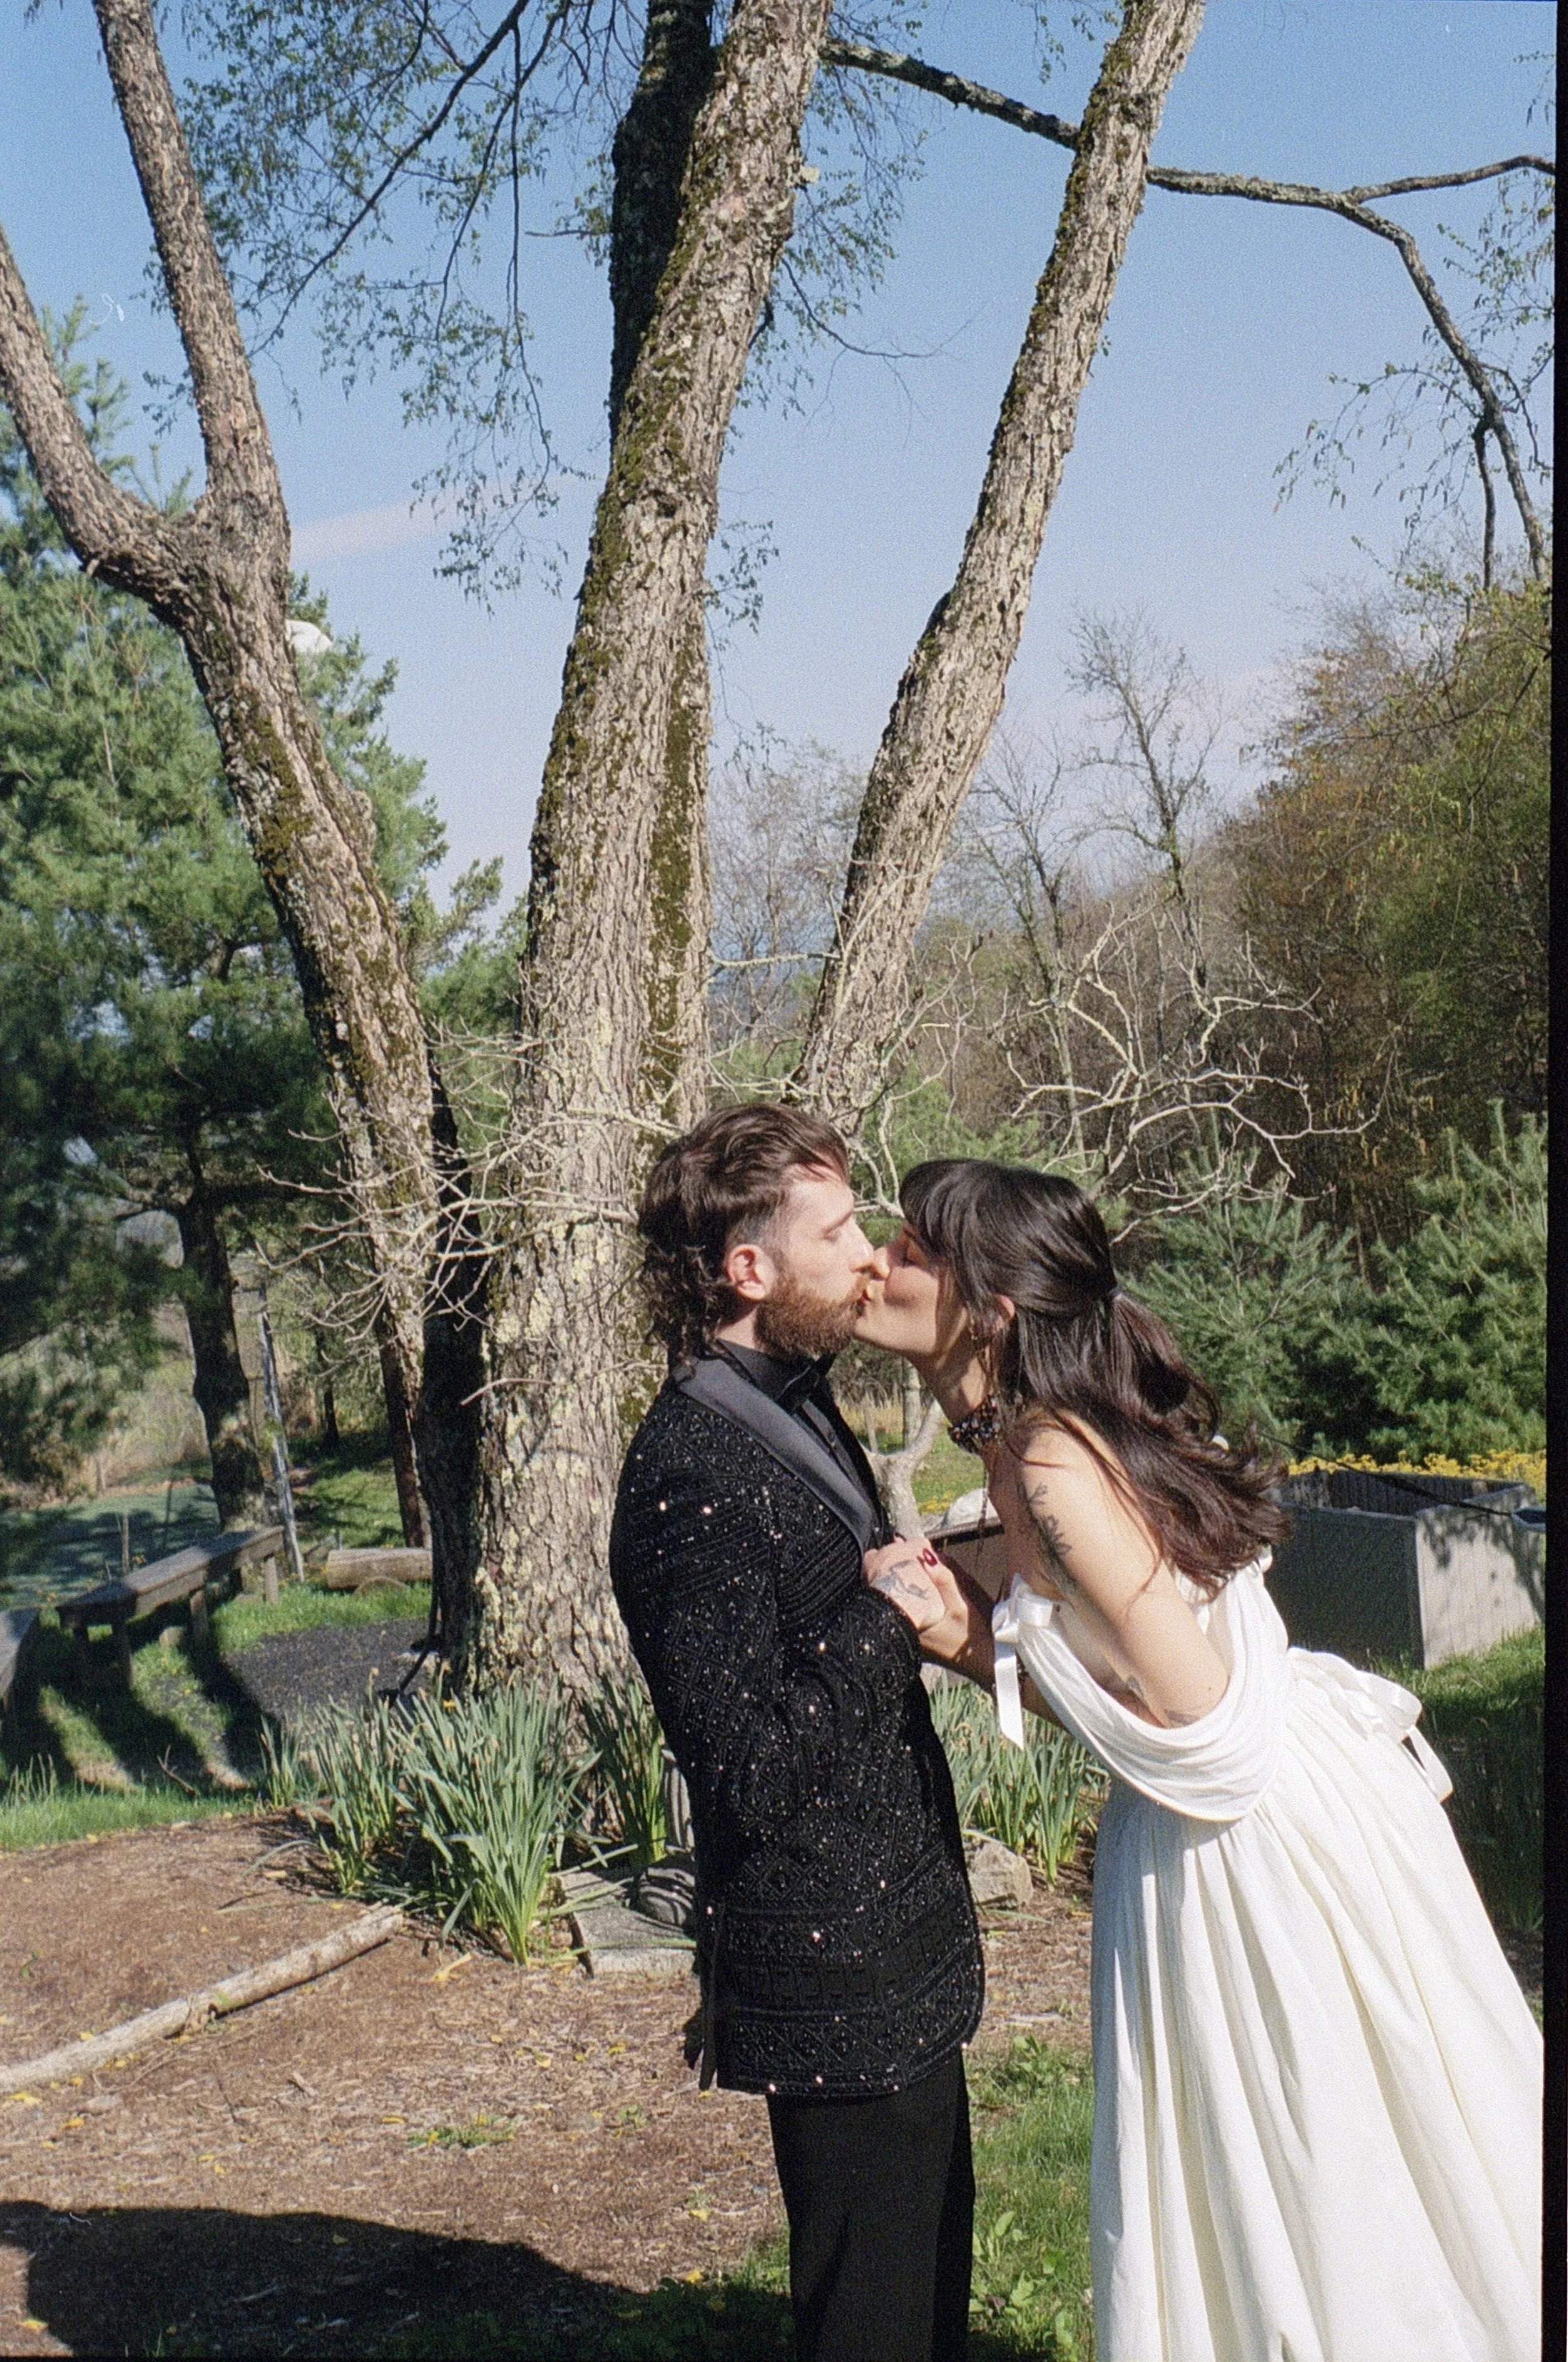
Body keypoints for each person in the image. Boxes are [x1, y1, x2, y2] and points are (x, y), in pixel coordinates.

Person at [854, 1156, 1542, 2362]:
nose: (878, 1260)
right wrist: (991, 1624)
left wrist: (977, 1639)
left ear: (993, 1308)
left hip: (1251, 1851)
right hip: (1271, 1815)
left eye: (911, 1248)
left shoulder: (1053, 1462)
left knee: (1312, 2160)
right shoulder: (1044, 1441)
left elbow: (1199, 1722)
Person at [608, 1105, 985, 2362]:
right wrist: (885, 1615)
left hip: (895, 1950)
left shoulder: (796, 1400)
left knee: (926, 2291)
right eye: (835, 1230)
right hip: (836, 1981)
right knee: (869, 2321)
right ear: (748, 1269)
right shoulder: (687, 1465)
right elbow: (743, 1767)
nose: (868, 1251)